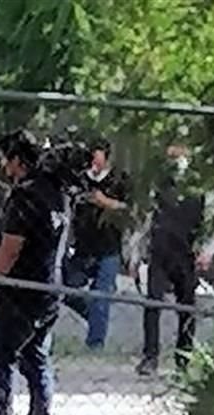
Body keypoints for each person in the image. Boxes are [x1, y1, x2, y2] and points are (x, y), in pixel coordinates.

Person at [0, 130, 68, 415]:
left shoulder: (25, 196)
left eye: (6, 160)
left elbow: (10, 248)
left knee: (1, 354)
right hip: (50, 287)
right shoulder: (56, 192)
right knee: (37, 356)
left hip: (22, 288)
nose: (4, 168)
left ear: (17, 160)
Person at [134, 141, 214, 375]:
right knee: (152, 302)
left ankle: (183, 357)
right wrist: (136, 252)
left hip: (186, 252)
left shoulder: (202, 183)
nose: (172, 151)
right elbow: (146, 218)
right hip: (160, 249)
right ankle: (150, 356)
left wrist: (208, 250)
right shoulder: (159, 180)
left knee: (186, 306)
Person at [62, 138, 131, 349]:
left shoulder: (119, 180)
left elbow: (130, 210)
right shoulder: (80, 180)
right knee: (67, 287)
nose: (93, 161)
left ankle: (95, 343)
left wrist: (106, 202)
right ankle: (94, 317)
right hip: (83, 247)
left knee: (101, 294)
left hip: (108, 248)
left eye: (97, 156)